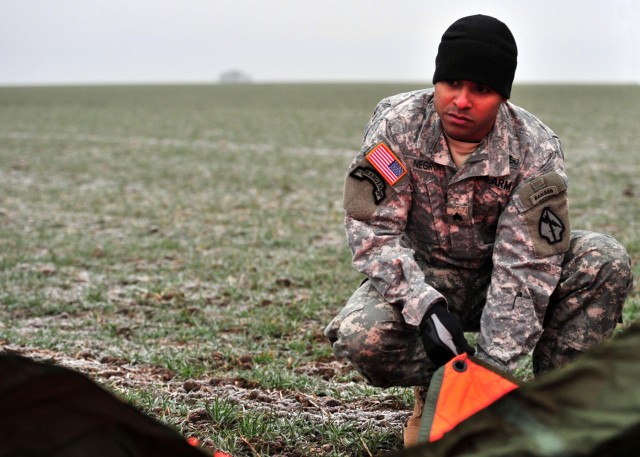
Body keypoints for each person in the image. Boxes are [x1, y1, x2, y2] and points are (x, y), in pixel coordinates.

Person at [324, 14, 634, 448]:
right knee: (363, 337)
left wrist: (488, 375)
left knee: (603, 259)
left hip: (500, 279)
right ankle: (436, 390)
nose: (461, 101)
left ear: (502, 97)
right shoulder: (398, 124)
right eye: (450, 83)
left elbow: (526, 263)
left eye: (481, 90)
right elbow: (374, 230)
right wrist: (424, 308)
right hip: (425, 273)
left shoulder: (535, 146)